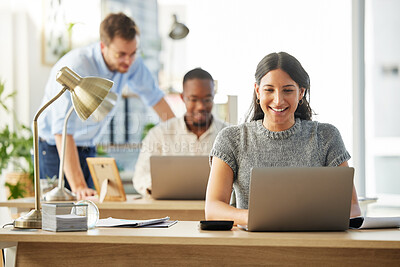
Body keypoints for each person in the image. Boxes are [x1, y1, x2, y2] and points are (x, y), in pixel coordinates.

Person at [205, 52, 361, 226]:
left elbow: (352, 208)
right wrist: (256, 217)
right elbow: (213, 209)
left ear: (301, 92)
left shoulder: (326, 136)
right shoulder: (232, 139)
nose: (278, 100)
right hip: (252, 246)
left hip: (315, 242)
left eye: (287, 90)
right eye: (269, 90)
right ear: (257, 91)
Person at [38, 13, 175, 199]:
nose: (128, 60)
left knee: (92, 209)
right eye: (121, 55)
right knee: (63, 211)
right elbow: (62, 131)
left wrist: (178, 130)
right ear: (103, 46)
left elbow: (154, 97)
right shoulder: (76, 67)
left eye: (133, 53)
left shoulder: (131, 63)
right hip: (56, 148)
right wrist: (79, 186)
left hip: (88, 146)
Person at [133, 68, 228, 196]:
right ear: (182, 98)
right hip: (170, 209)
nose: (201, 106)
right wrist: (159, 187)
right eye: (193, 99)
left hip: (216, 210)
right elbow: (140, 177)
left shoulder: (229, 135)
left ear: (213, 97)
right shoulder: (159, 134)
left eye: (207, 99)